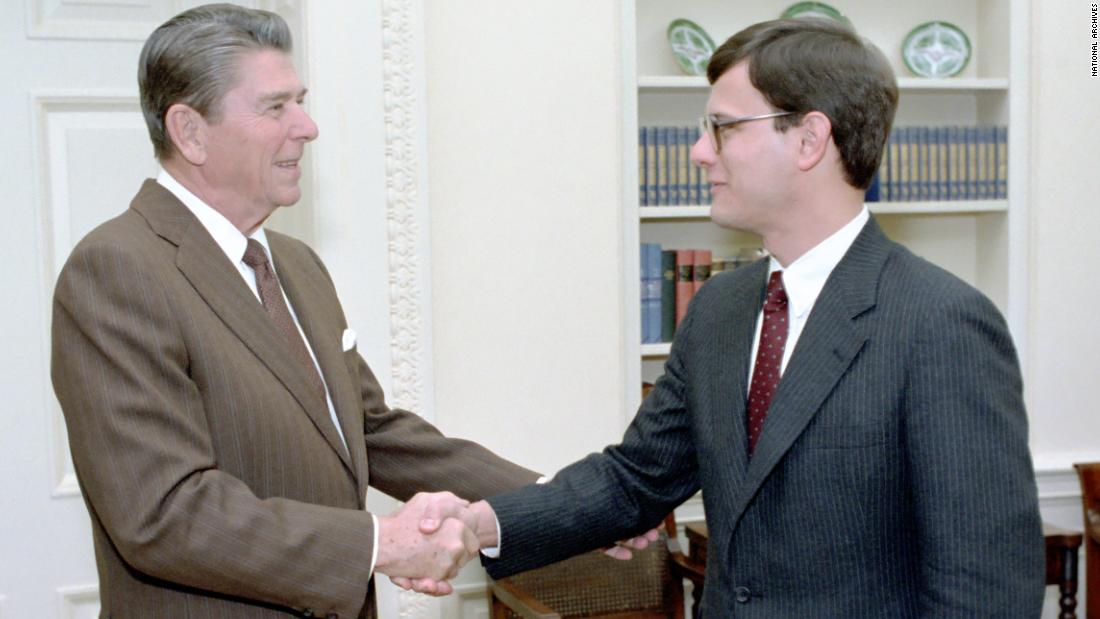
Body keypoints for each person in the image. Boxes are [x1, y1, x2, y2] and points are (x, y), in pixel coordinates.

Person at [442, 18, 1045, 617]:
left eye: (723, 128)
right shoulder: (719, 308)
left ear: (809, 140)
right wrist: (480, 523)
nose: (700, 152)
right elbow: (636, 479)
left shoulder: (942, 322)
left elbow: (984, 591)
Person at [50, 4, 542, 617]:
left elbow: (369, 431)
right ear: (190, 131)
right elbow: (164, 512)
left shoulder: (296, 264)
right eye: (276, 107)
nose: (307, 127)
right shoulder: (116, 269)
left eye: (300, 102)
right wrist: (380, 544)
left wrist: (563, 505)